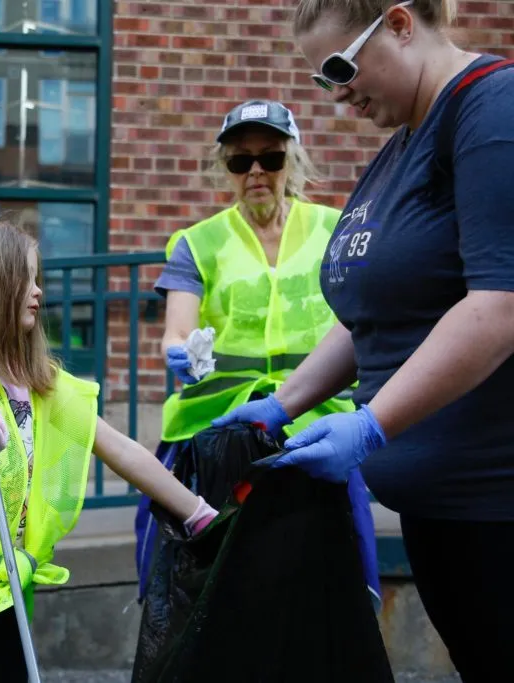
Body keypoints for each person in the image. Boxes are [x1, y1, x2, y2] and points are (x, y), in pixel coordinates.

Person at [216, 1, 514, 680]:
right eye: (322, 80)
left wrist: (373, 424)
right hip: (442, 514)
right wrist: (282, 404)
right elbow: (369, 316)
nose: (338, 92)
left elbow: (500, 304)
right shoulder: (403, 144)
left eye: (340, 67)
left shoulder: (492, 113)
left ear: (402, 24)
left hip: (497, 512)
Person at [0, 221, 219, 682]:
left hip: (2, 576)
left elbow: (120, 449)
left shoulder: (39, 383)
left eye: (39, 280)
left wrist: (196, 512)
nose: (38, 293)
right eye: (27, 280)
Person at [133, 99, 379, 605]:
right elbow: (177, 331)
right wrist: (178, 352)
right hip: (218, 428)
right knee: (177, 561)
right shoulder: (198, 243)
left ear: (295, 161)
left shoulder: (337, 230)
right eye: (240, 161)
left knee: (340, 565)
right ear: (224, 170)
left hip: (315, 420)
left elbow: (360, 315)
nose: (257, 172)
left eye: (271, 158)